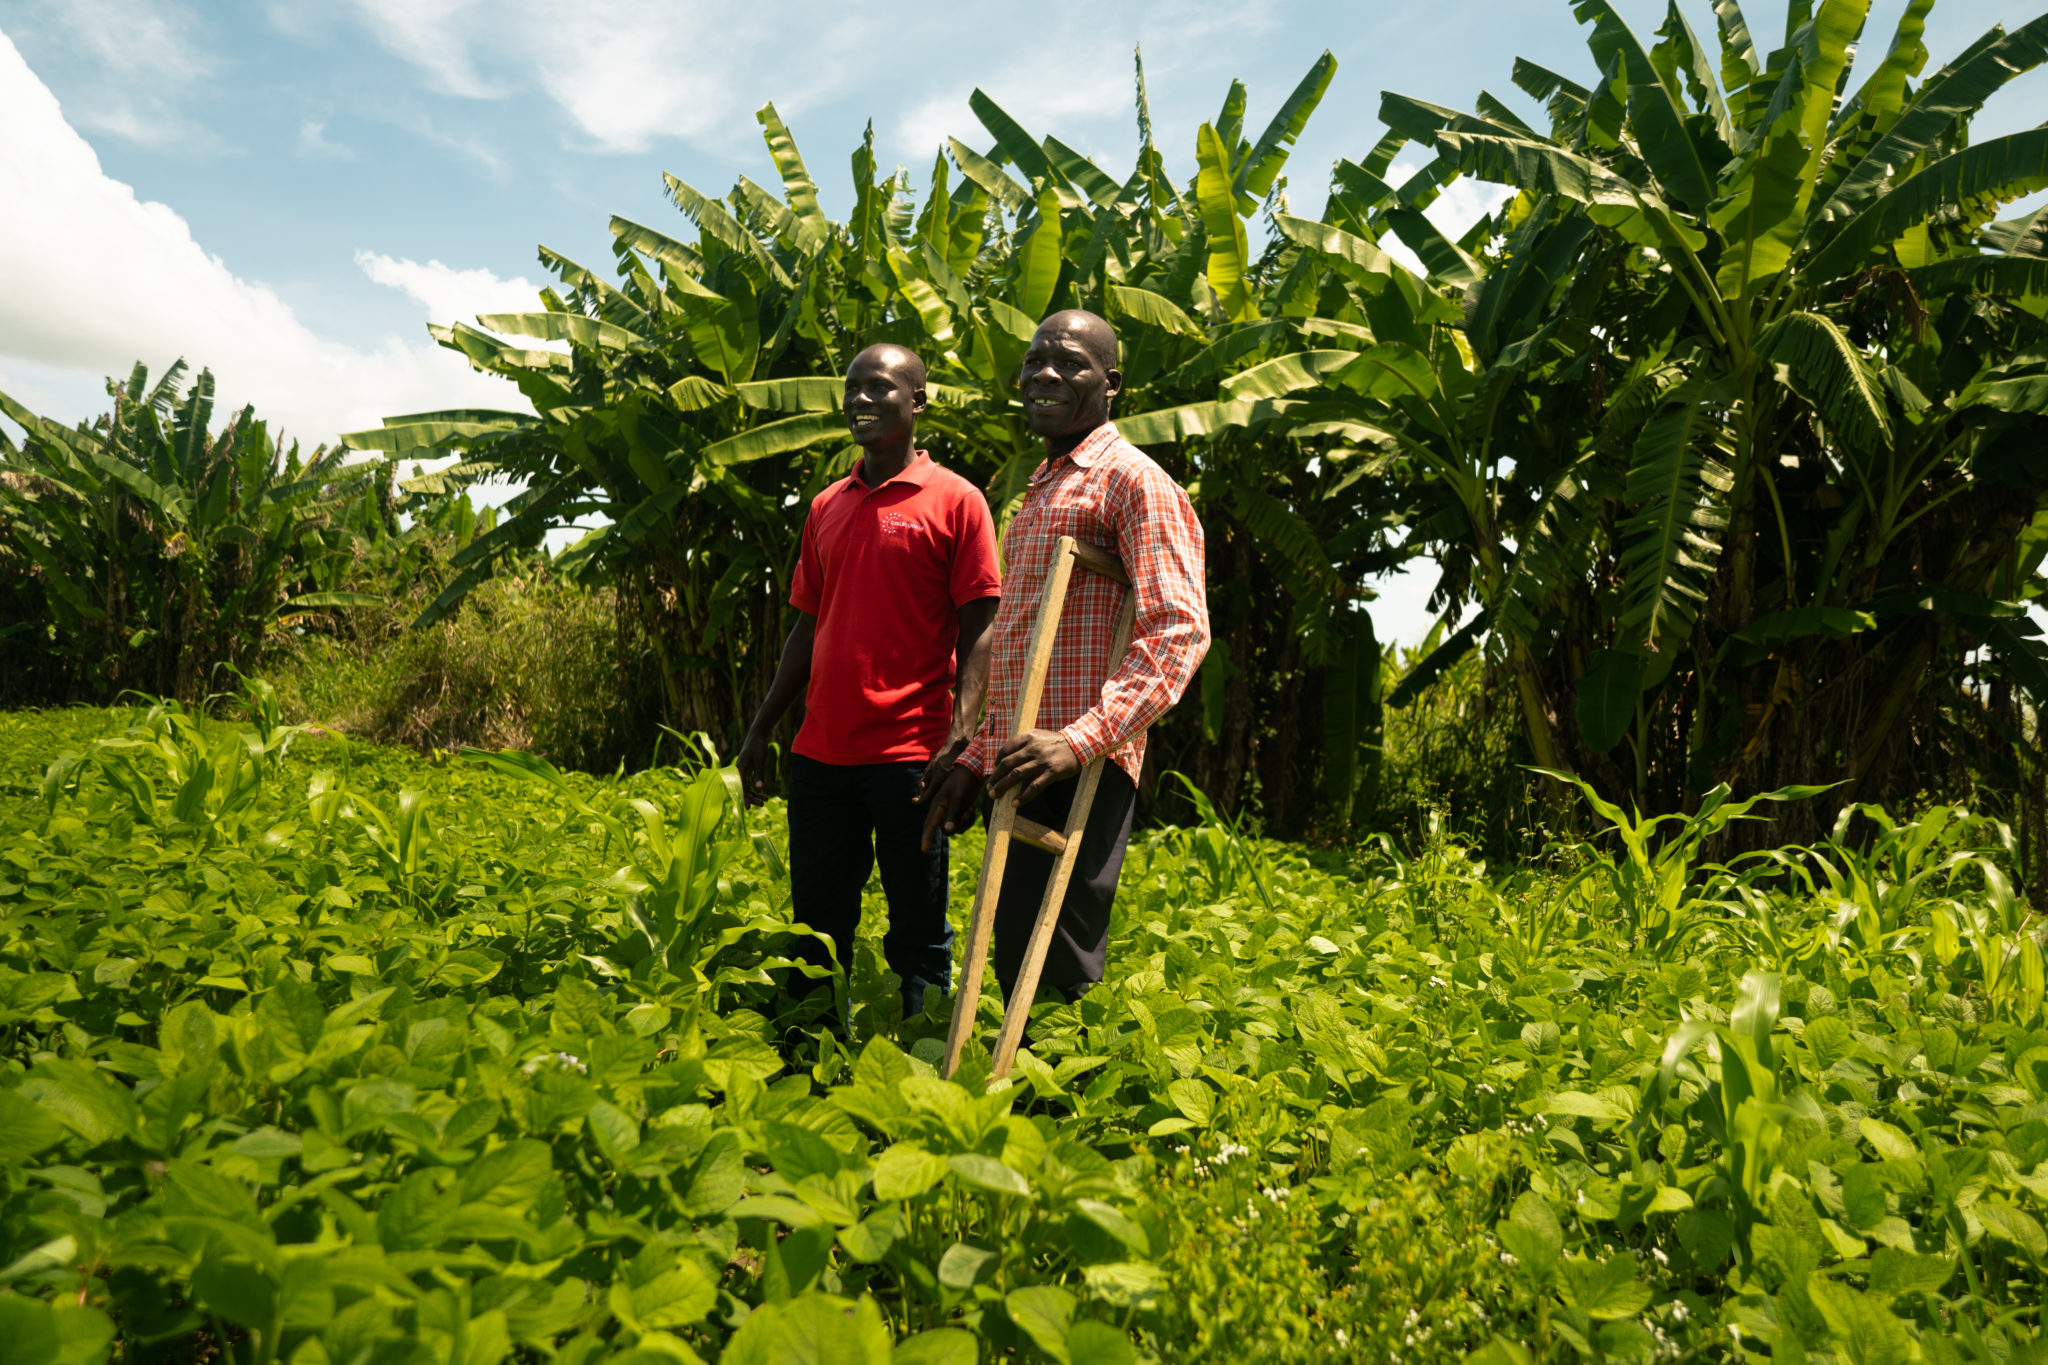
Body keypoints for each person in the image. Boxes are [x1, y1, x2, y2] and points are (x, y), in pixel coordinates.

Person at [920, 309, 1208, 1003]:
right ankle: (1020, 1072)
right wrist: (976, 757)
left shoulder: (1133, 481)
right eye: (1035, 361)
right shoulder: (1045, 485)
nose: (1044, 374)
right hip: (1023, 755)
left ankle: (1063, 1075)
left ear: (1112, 384)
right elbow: (1021, 643)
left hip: (1081, 759)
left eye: (1071, 363)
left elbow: (1178, 631)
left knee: (1057, 967)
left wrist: (1078, 741)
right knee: (1016, 952)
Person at [737, 344, 1001, 1020]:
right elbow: (807, 627)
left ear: (918, 402)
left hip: (912, 756)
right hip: (821, 756)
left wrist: (964, 736)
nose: (859, 399)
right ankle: (806, 1057)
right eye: (852, 388)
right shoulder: (827, 504)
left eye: (879, 387)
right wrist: (763, 727)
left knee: (919, 930)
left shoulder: (958, 501)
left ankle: (922, 1062)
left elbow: (981, 628)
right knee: (814, 929)